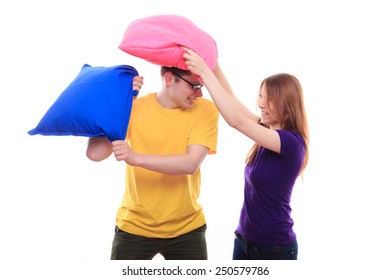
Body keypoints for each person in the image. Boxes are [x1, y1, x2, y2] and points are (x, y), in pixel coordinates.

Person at [183, 48, 309, 260]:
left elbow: (236, 120)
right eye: (260, 95)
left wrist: (204, 72)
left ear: (287, 104)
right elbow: (230, 98)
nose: (261, 104)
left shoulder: (291, 143)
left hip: (275, 249)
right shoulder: (266, 130)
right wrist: (211, 60)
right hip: (243, 241)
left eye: (269, 99)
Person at [86, 66, 219, 260]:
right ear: (169, 79)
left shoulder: (205, 109)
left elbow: (190, 164)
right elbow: (95, 153)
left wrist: (135, 158)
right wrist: (121, 103)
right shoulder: (135, 107)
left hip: (187, 227)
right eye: (195, 85)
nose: (199, 93)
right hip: (134, 226)